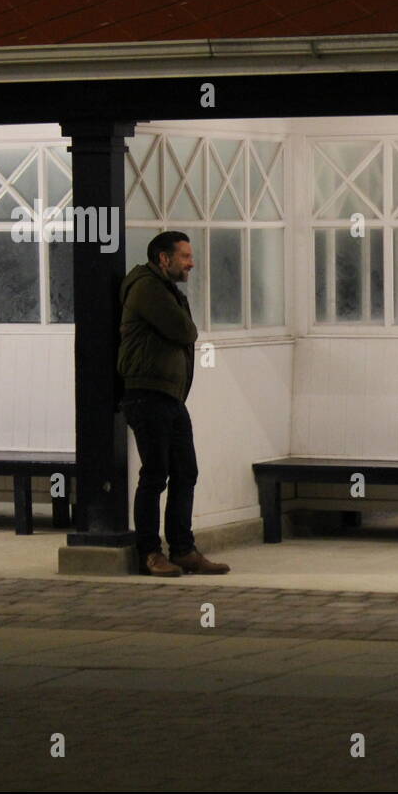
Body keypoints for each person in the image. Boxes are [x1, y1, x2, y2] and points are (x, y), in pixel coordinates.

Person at [117, 231, 229, 577]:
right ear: (163, 259)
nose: (191, 263)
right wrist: (188, 325)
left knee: (185, 471)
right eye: (184, 257)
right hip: (147, 393)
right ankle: (150, 552)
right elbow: (185, 331)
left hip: (168, 396)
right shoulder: (148, 288)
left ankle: (182, 549)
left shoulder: (164, 289)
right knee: (155, 475)